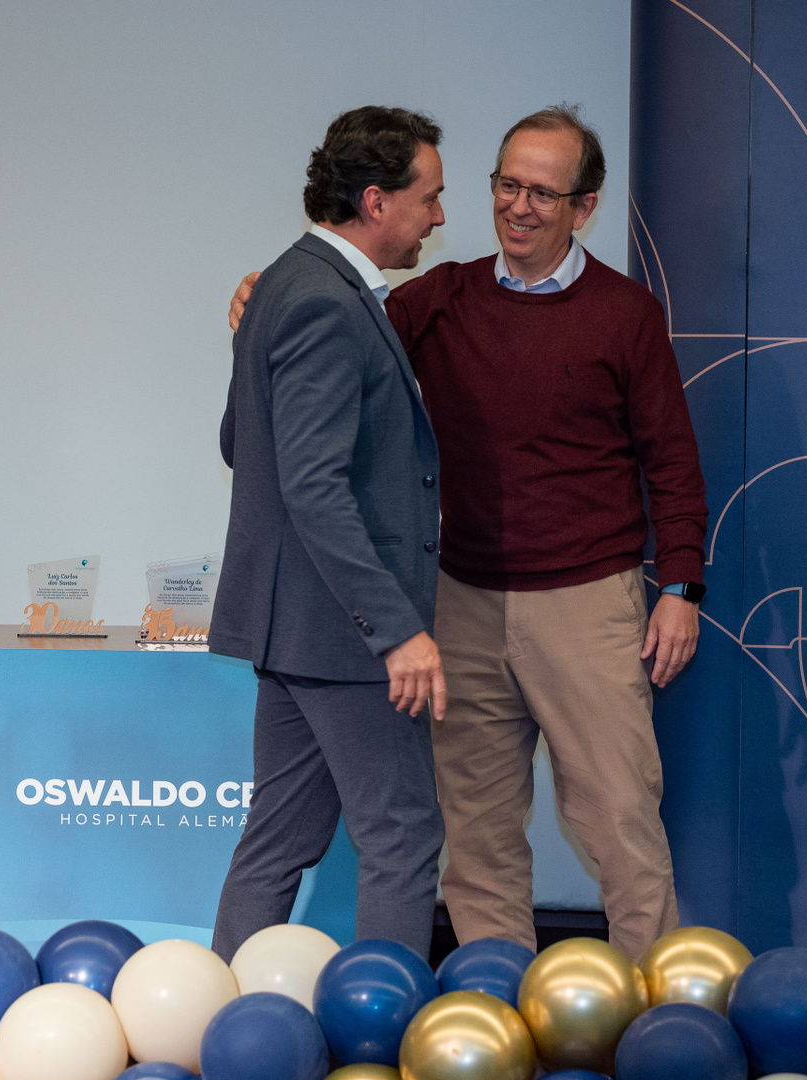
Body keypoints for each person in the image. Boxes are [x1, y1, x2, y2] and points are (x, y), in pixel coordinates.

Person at [232, 106, 706, 960]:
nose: (517, 207)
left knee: (622, 825)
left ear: (585, 207)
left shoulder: (626, 313)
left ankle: (658, 1013)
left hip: (587, 604)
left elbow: (672, 459)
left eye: (542, 193)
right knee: (476, 839)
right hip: (458, 605)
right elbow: (329, 340)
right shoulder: (434, 299)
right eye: (506, 185)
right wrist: (264, 300)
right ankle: (494, 1011)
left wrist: (680, 584)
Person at [207, 106, 447, 962]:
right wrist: (397, 630)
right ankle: (384, 1031)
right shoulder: (325, 302)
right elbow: (311, 485)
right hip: (344, 636)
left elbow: (242, 444)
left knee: (279, 837)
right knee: (403, 835)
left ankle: (221, 1016)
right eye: (429, 197)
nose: (439, 217)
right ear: (376, 201)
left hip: (296, 629)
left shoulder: (282, 283)